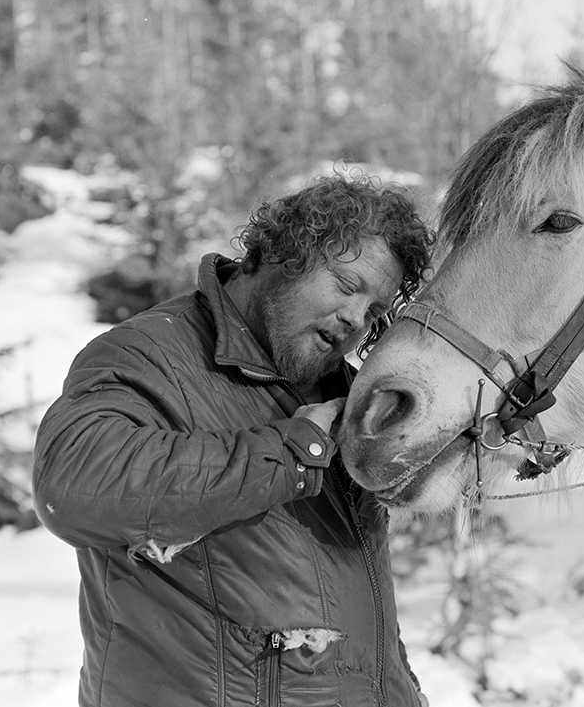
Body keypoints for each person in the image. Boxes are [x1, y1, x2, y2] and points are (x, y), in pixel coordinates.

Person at [33, 172, 436, 707]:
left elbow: (357, 612)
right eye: (346, 286)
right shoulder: (150, 355)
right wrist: (291, 452)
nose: (354, 320)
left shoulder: (333, 386)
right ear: (274, 254)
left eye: (375, 311)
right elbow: (74, 484)